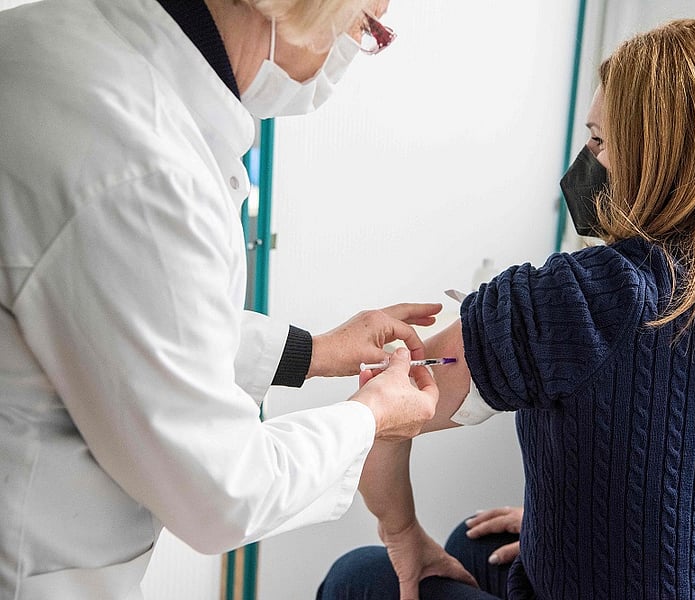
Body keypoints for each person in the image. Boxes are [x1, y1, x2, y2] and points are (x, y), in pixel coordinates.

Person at [317, 18, 695, 600]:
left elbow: (389, 419)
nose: (586, 159)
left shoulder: (589, 298)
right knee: (475, 540)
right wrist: (565, 535)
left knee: (360, 578)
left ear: (659, 160)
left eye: (600, 141)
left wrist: (402, 535)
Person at [0, 0, 445, 598]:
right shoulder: (142, 165)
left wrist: (310, 352)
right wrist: (371, 415)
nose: (347, 54)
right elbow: (224, 491)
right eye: (364, 27)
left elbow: (116, 313)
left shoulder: (43, 37)